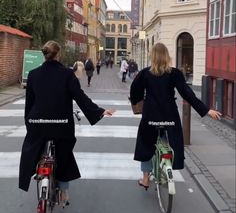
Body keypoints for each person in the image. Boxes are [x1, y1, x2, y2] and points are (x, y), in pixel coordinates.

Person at [19, 41, 113, 204]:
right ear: (58, 55)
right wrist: (99, 111)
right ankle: (63, 191)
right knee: (64, 152)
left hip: (38, 123)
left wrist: (30, 123)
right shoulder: (67, 74)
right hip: (61, 124)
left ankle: (36, 171)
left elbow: (30, 103)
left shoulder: (33, 74)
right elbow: (80, 97)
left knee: (33, 146)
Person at [129, 43, 221, 189]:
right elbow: (187, 93)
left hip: (150, 115)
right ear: (167, 56)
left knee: (145, 144)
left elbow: (134, 91)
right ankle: (168, 166)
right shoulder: (175, 73)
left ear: (152, 56)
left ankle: (146, 178)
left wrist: (138, 103)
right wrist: (206, 110)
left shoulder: (145, 73)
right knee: (170, 141)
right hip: (169, 116)